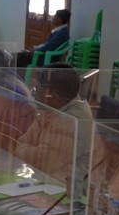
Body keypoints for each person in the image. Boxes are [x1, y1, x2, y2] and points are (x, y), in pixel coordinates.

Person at [15, 63, 93, 196]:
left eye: (38, 90)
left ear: (53, 97)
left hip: (61, 192)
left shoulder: (71, 120)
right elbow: (21, 143)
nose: (33, 93)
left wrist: (25, 149)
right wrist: (28, 149)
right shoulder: (52, 108)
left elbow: (43, 161)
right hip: (42, 180)